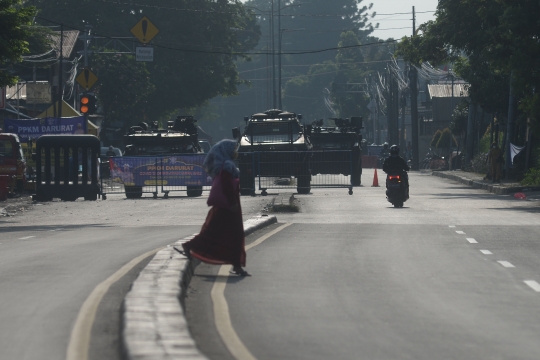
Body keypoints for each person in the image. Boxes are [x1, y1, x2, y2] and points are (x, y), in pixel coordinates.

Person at [179, 139, 249, 276]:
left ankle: (236, 264)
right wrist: (233, 203)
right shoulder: (227, 166)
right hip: (229, 207)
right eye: (233, 149)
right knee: (231, 235)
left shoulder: (222, 166)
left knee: (216, 232)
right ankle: (236, 265)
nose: (236, 152)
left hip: (225, 206)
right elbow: (227, 187)